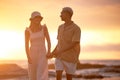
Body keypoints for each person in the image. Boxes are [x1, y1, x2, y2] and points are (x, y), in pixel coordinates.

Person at [49, 7, 81, 80]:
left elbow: (74, 43)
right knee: (58, 74)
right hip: (59, 56)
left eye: (61, 13)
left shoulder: (76, 28)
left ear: (67, 14)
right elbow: (59, 43)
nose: (60, 15)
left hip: (70, 57)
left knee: (69, 77)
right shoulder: (60, 27)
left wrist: (60, 50)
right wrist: (53, 52)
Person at [25, 11, 51, 80]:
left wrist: (49, 52)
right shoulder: (27, 30)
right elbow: (26, 45)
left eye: (39, 18)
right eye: (36, 18)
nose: (37, 19)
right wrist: (28, 57)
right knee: (33, 75)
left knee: (41, 74)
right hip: (32, 53)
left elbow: (48, 41)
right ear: (32, 19)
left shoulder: (44, 28)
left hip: (42, 53)